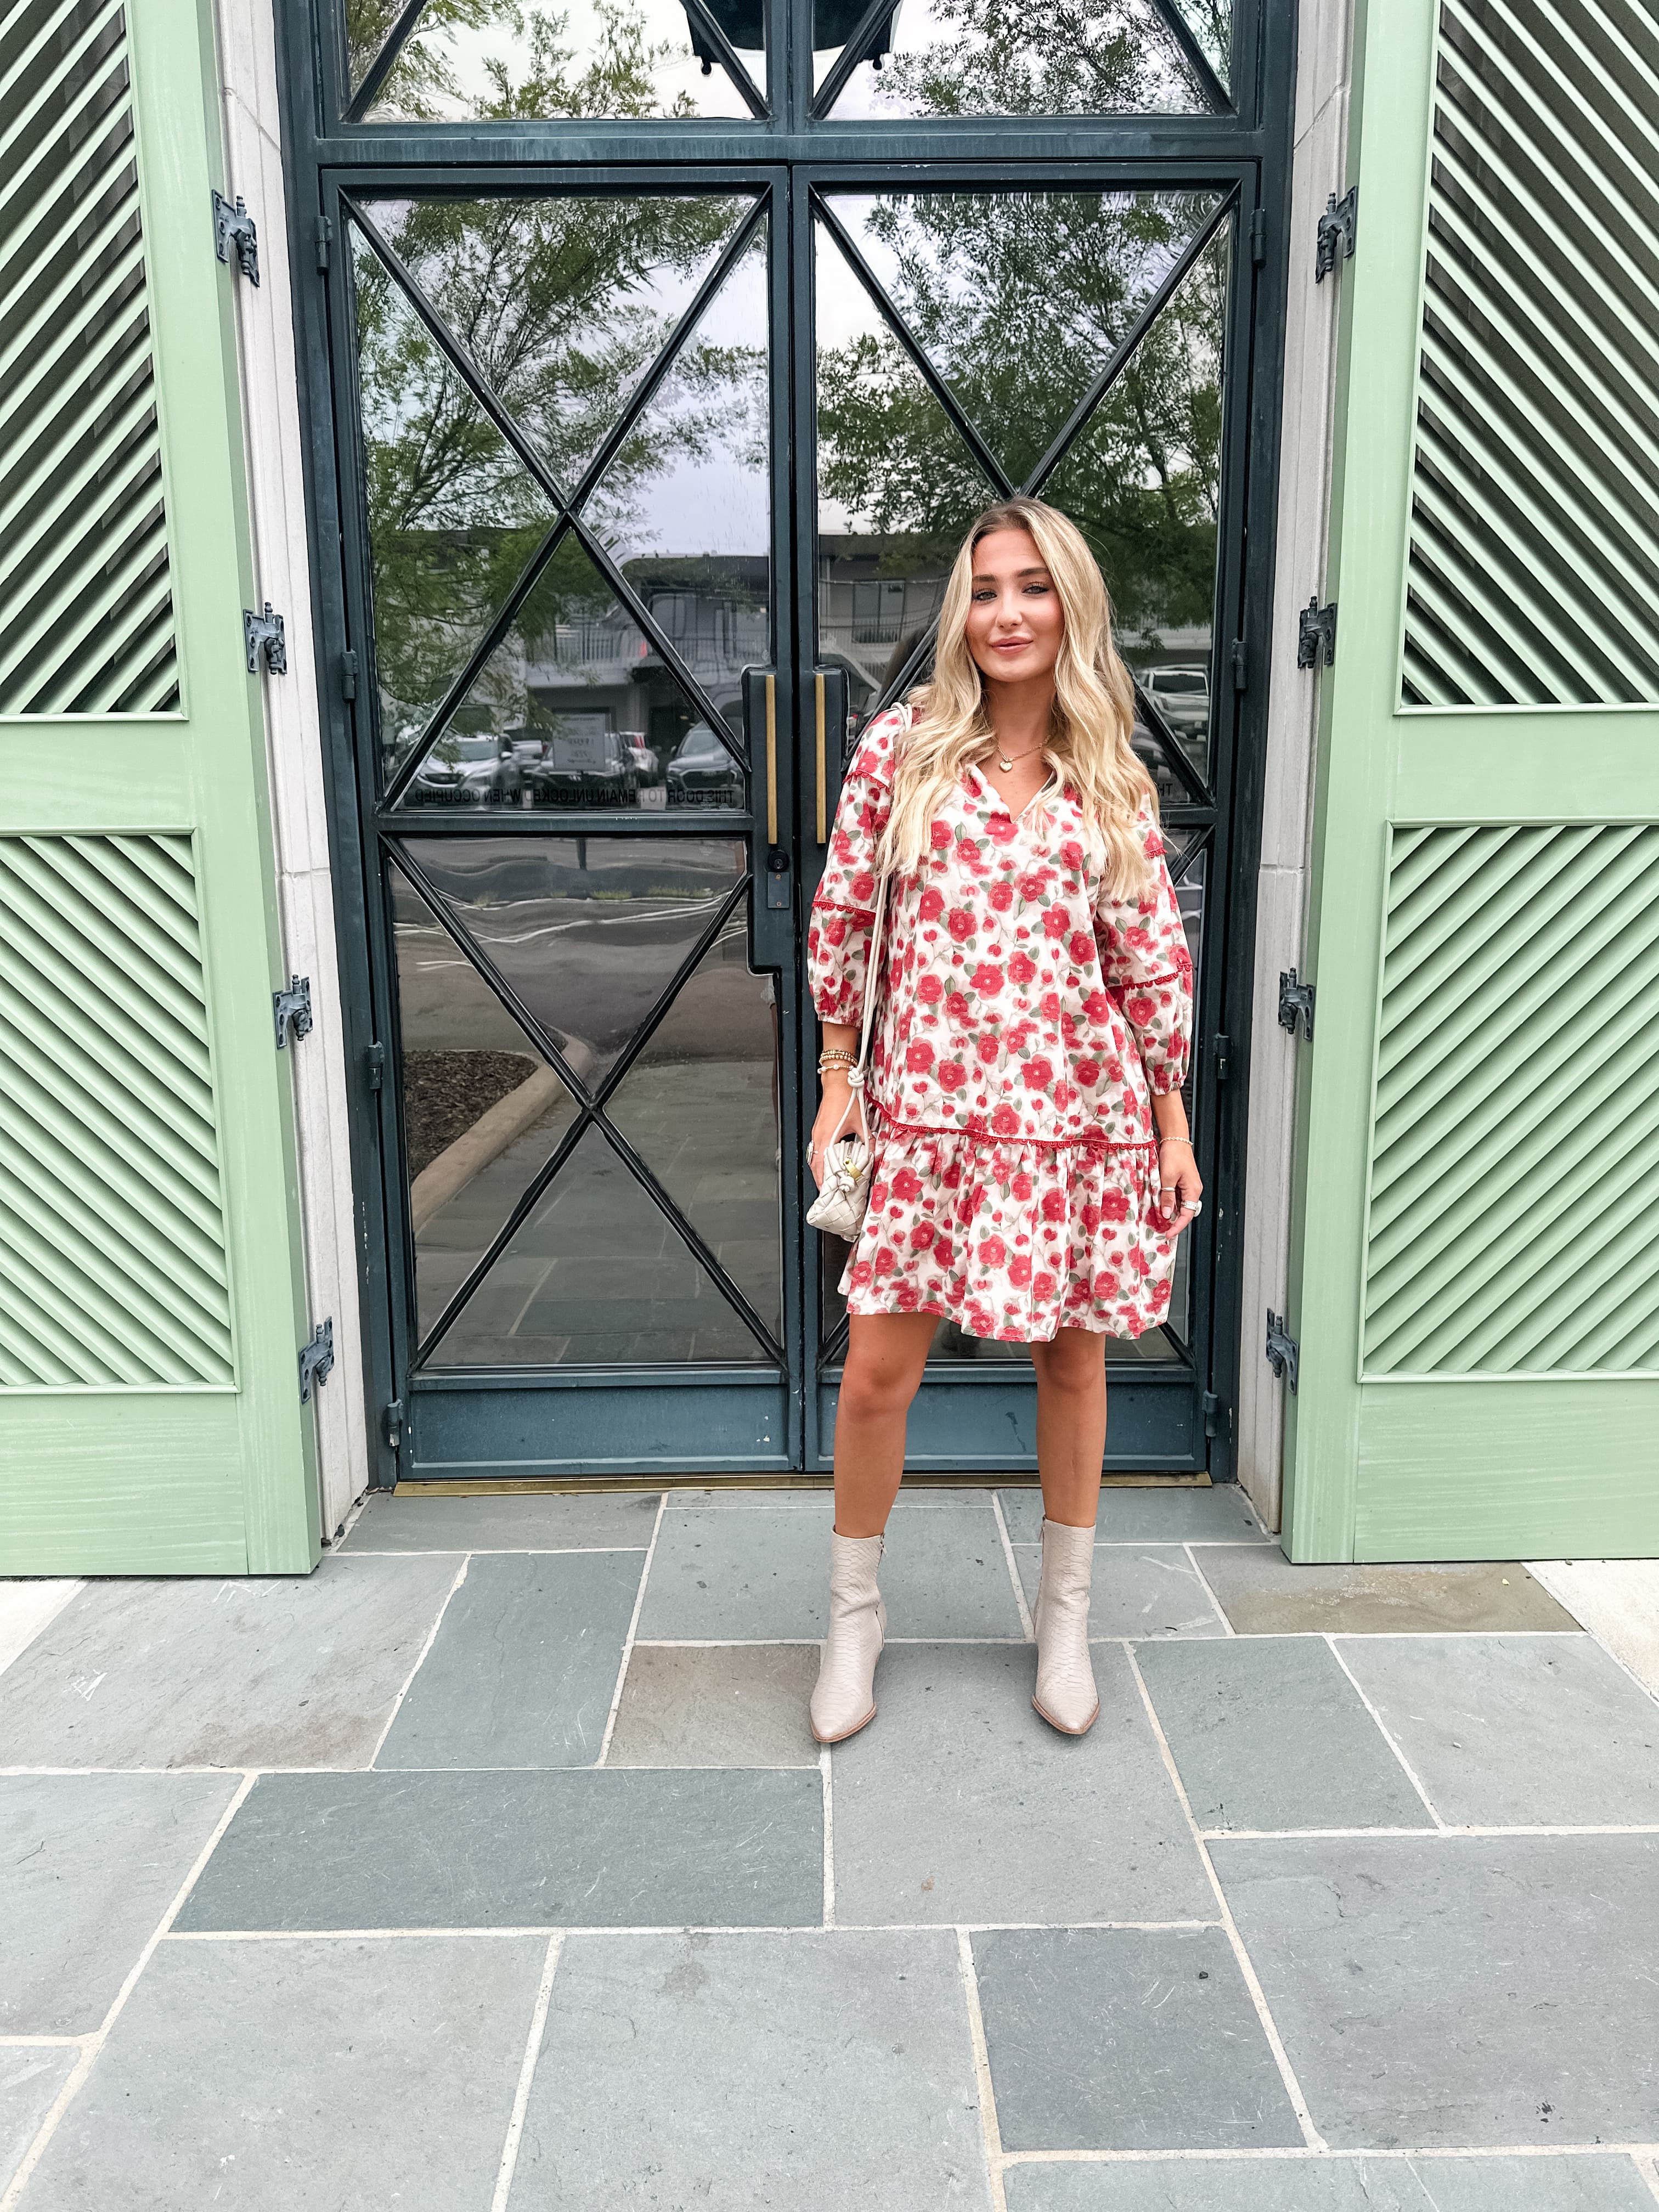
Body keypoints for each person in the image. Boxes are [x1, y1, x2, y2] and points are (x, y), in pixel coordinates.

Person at [806, 498, 1200, 1745]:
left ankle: (1067, 1621)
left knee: (1074, 1360)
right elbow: (847, 924)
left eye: (1032, 587)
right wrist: (837, 1076)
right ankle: (853, 1618)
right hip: (925, 1114)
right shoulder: (903, 750)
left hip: (1077, 1118)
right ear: (961, 615)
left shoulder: (1112, 777)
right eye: (985, 590)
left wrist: (1172, 1115)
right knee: (876, 1376)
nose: (1007, 612)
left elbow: (1148, 960)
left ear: (1070, 607)